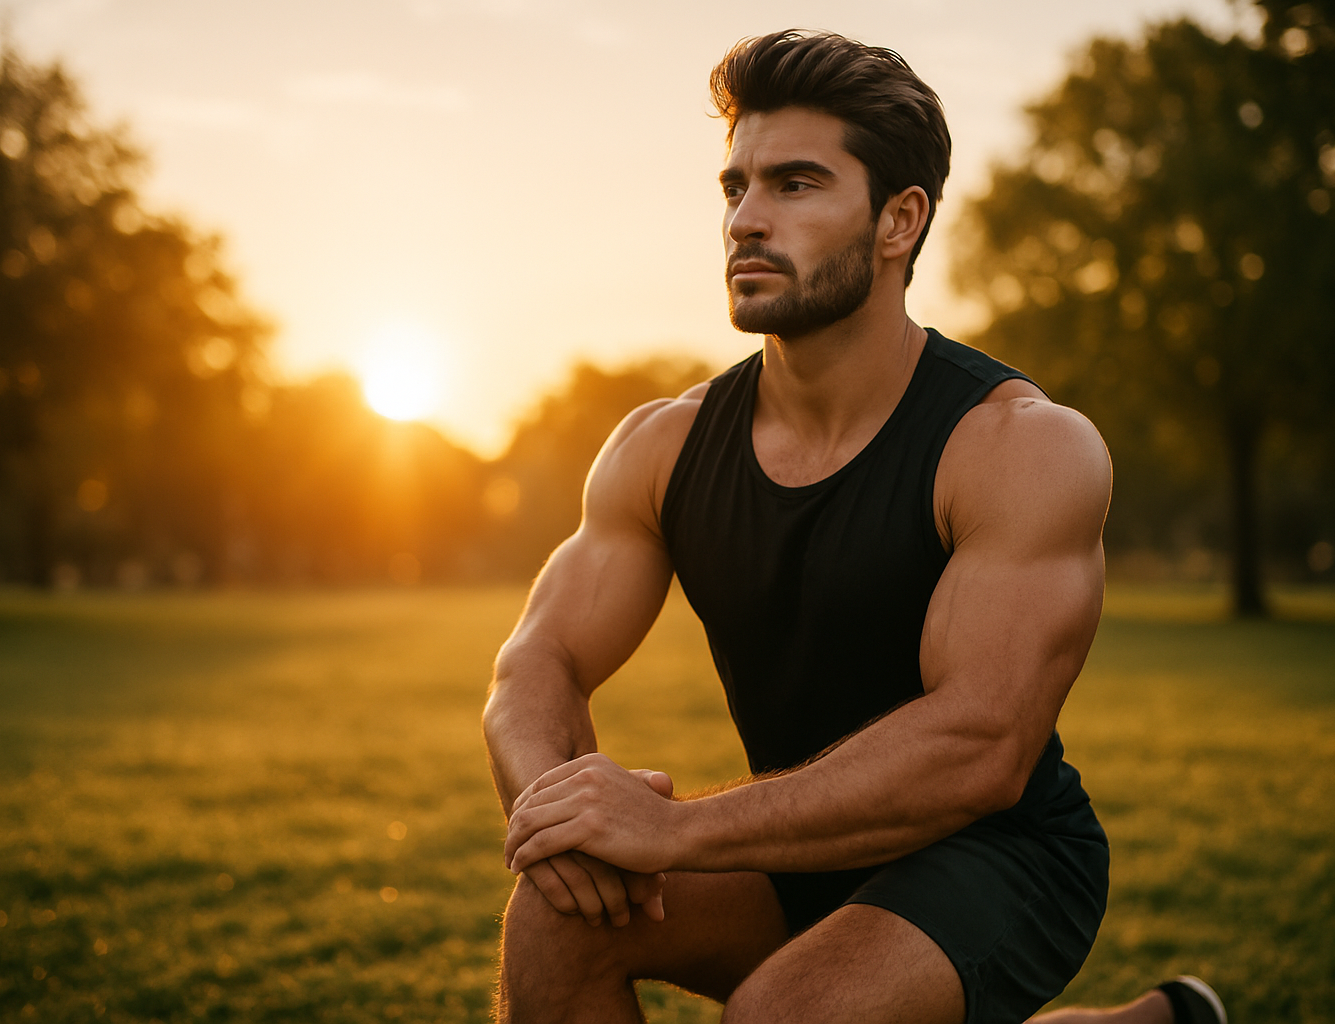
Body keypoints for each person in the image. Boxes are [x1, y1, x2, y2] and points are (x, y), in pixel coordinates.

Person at [483, 29, 1227, 1024]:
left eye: (795, 184)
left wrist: (676, 831)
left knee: (788, 1013)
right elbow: (536, 663)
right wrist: (562, 817)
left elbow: (979, 747)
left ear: (898, 220)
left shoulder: (1017, 446)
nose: (747, 218)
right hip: (797, 846)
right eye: (735, 186)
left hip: (997, 853)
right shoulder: (661, 447)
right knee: (554, 918)